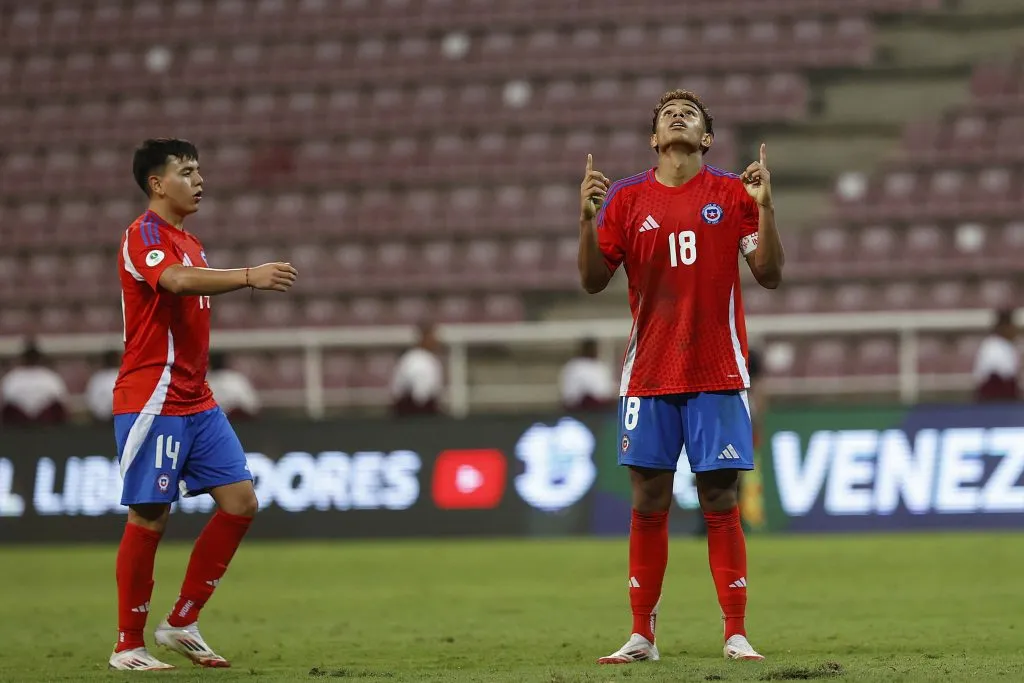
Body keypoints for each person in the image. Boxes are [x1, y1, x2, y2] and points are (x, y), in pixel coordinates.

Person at [577, 90, 784, 664]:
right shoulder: (625, 197)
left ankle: (736, 633)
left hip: (717, 369)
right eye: (667, 112)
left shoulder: (731, 193)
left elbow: (768, 273)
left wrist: (766, 208)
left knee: (719, 495)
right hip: (649, 372)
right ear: (653, 138)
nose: (676, 115)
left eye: (689, 112)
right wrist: (586, 220)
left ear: (706, 137)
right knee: (648, 498)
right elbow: (594, 280)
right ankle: (642, 634)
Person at [108, 138, 298, 671]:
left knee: (241, 502)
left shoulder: (191, 241)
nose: (199, 180)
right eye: (187, 171)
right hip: (154, 396)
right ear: (156, 183)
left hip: (198, 397)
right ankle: (128, 645)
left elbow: (188, 275)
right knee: (150, 516)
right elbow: (172, 281)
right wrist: (248, 275)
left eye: (200, 171)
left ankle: (182, 621)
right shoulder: (143, 235)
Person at [0, 338, 69, 425]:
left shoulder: (50, 377)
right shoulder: (13, 377)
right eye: (29, 356)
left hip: (47, 424)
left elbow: (61, 404)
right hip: (18, 426)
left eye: (33, 357)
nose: (31, 359)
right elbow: (5, 405)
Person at [390, 322, 444, 416]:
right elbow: (419, 396)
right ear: (423, 338)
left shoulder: (429, 359)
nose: (436, 341)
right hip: (413, 413)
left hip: (422, 408)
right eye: (432, 337)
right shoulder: (414, 360)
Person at [972, 309, 1019, 402]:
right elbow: (994, 378)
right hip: (994, 398)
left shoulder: (1009, 346)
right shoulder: (991, 346)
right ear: (1003, 327)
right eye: (1010, 327)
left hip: (1007, 397)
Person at [559, 338, 616, 411]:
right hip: (578, 409)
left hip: (601, 409)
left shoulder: (602, 367)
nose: (592, 351)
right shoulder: (573, 367)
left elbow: (607, 392)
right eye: (589, 348)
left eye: (593, 348)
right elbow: (568, 394)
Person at [207, 352, 261, 419]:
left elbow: (253, 407)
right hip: (218, 422)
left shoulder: (236, 378)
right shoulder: (237, 377)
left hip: (241, 423)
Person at [85, 350, 121, 422]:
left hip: (119, 418)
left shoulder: (123, 375)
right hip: (101, 420)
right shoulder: (97, 378)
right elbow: (90, 401)